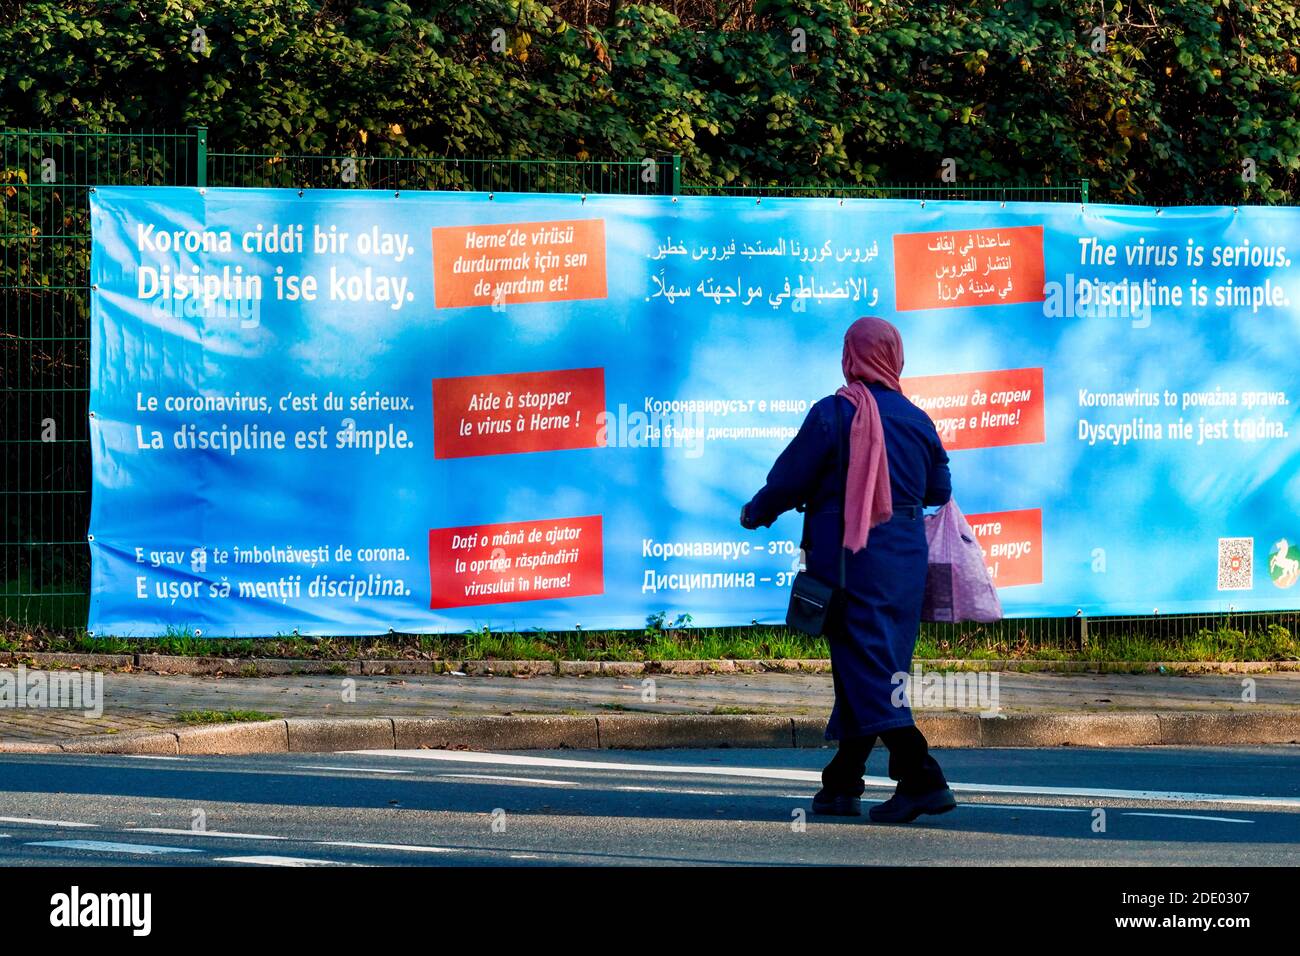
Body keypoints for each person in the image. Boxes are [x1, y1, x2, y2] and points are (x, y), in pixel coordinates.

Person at [740, 315, 956, 823]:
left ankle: (923, 777)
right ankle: (842, 784)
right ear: (894, 357)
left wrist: (757, 512)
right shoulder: (917, 418)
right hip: (904, 562)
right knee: (873, 665)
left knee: (869, 667)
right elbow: (938, 492)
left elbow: (790, 479)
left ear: (850, 357)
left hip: (849, 560)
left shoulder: (834, 414)